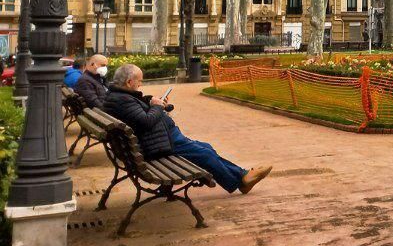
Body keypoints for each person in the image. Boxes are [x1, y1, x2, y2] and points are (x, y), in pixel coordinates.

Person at [103, 64, 272, 195]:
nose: (140, 84)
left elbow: (137, 109)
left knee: (205, 147)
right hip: (157, 145)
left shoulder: (119, 96)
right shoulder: (121, 100)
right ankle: (241, 180)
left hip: (158, 138)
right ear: (129, 82)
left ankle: (241, 176)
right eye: (139, 81)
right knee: (204, 153)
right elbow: (145, 122)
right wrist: (156, 107)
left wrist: (153, 102)